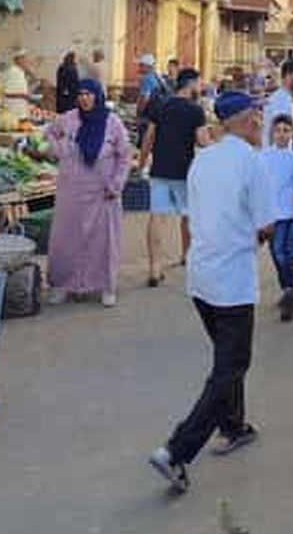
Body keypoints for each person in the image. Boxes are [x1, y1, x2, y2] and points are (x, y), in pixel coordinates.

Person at [148, 91, 273, 493]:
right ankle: (177, 451)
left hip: (201, 277)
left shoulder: (203, 160)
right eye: (256, 114)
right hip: (232, 280)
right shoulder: (253, 163)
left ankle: (234, 425)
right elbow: (267, 224)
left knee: (226, 359)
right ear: (244, 119)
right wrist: (255, 237)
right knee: (230, 368)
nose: (260, 122)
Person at [46, 78, 131, 308]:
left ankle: (106, 286)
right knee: (66, 239)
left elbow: (124, 156)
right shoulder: (68, 118)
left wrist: (116, 184)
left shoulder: (112, 122)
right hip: (71, 191)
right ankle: (62, 285)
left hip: (103, 193)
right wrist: (60, 149)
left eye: (89, 94)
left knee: (103, 241)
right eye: (81, 94)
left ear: (98, 96)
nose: (84, 98)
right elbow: (49, 134)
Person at [139, 68, 207, 287]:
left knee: (157, 217)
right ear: (191, 84)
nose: (200, 87)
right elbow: (202, 141)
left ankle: (154, 268)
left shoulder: (161, 105)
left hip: (159, 169)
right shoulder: (196, 111)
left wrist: (141, 163)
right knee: (188, 215)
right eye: (198, 83)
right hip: (184, 172)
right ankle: (187, 256)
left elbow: (149, 137)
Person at [262, 58, 293, 277]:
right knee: (281, 214)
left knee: (288, 212)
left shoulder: (285, 99)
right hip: (277, 162)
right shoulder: (279, 101)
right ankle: (287, 267)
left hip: (286, 159)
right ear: (289, 75)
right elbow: (275, 134)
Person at [261, 114, 293, 322]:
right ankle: (288, 291)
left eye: (286, 130)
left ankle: (289, 293)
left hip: (286, 212)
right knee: (279, 252)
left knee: (279, 252)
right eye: (278, 130)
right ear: (272, 133)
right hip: (269, 212)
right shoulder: (264, 156)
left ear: (292, 133)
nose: (282, 134)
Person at [1, 49, 32, 126]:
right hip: (13, 110)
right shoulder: (12, 72)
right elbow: (6, 93)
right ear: (18, 60)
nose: (26, 61)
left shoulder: (20, 71)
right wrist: (22, 95)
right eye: (24, 59)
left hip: (20, 110)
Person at [55, 50, 80, 115]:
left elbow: (59, 81)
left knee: (62, 114)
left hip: (61, 95)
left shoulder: (61, 67)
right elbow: (75, 82)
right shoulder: (72, 68)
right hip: (70, 96)